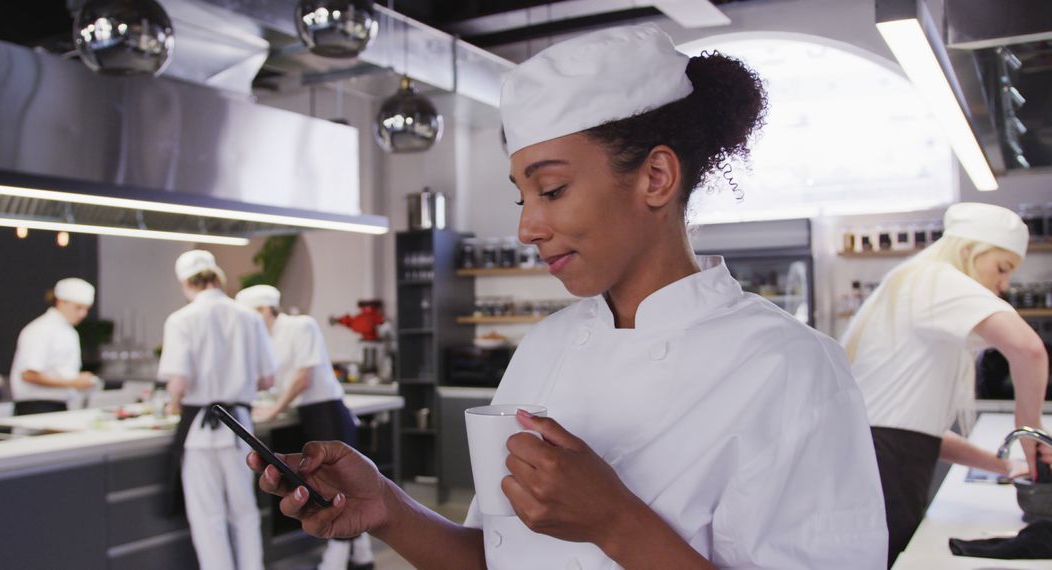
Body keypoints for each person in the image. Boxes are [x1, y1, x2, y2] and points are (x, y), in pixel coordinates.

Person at [247, 23, 888, 569]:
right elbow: (500, 557)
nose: (527, 226)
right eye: (520, 197)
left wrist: (615, 521)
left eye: (551, 190)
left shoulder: (791, 369)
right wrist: (387, 506)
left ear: (656, 178)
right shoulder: (546, 348)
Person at [841, 202, 1050, 566]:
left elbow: (923, 434)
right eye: (1002, 269)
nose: (1003, 285)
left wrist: (1007, 465)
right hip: (885, 468)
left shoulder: (915, 282)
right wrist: (1030, 431)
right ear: (968, 251)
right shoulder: (934, 278)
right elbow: (1030, 349)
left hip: (881, 460)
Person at [235, 284, 375, 570]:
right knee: (322, 484)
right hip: (305, 414)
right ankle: (363, 556)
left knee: (339, 485)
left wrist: (275, 408)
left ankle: (333, 562)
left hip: (327, 411)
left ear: (265, 309)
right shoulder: (266, 338)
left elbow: (303, 378)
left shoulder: (302, 326)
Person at [159, 250, 276, 570]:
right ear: (217, 277)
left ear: (186, 282)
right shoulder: (249, 317)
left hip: (199, 430)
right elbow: (267, 378)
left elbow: (179, 383)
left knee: (207, 517)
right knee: (245, 512)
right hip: (239, 427)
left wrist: (172, 403)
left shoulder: (181, 319)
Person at [10, 278, 98, 415]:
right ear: (61, 302)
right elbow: (29, 375)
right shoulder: (41, 329)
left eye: (86, 309)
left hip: (59, 406)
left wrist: (77, 380)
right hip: (37, 407)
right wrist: (74, 382)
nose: (83, 314)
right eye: (78, 307)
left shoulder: (68, 331)